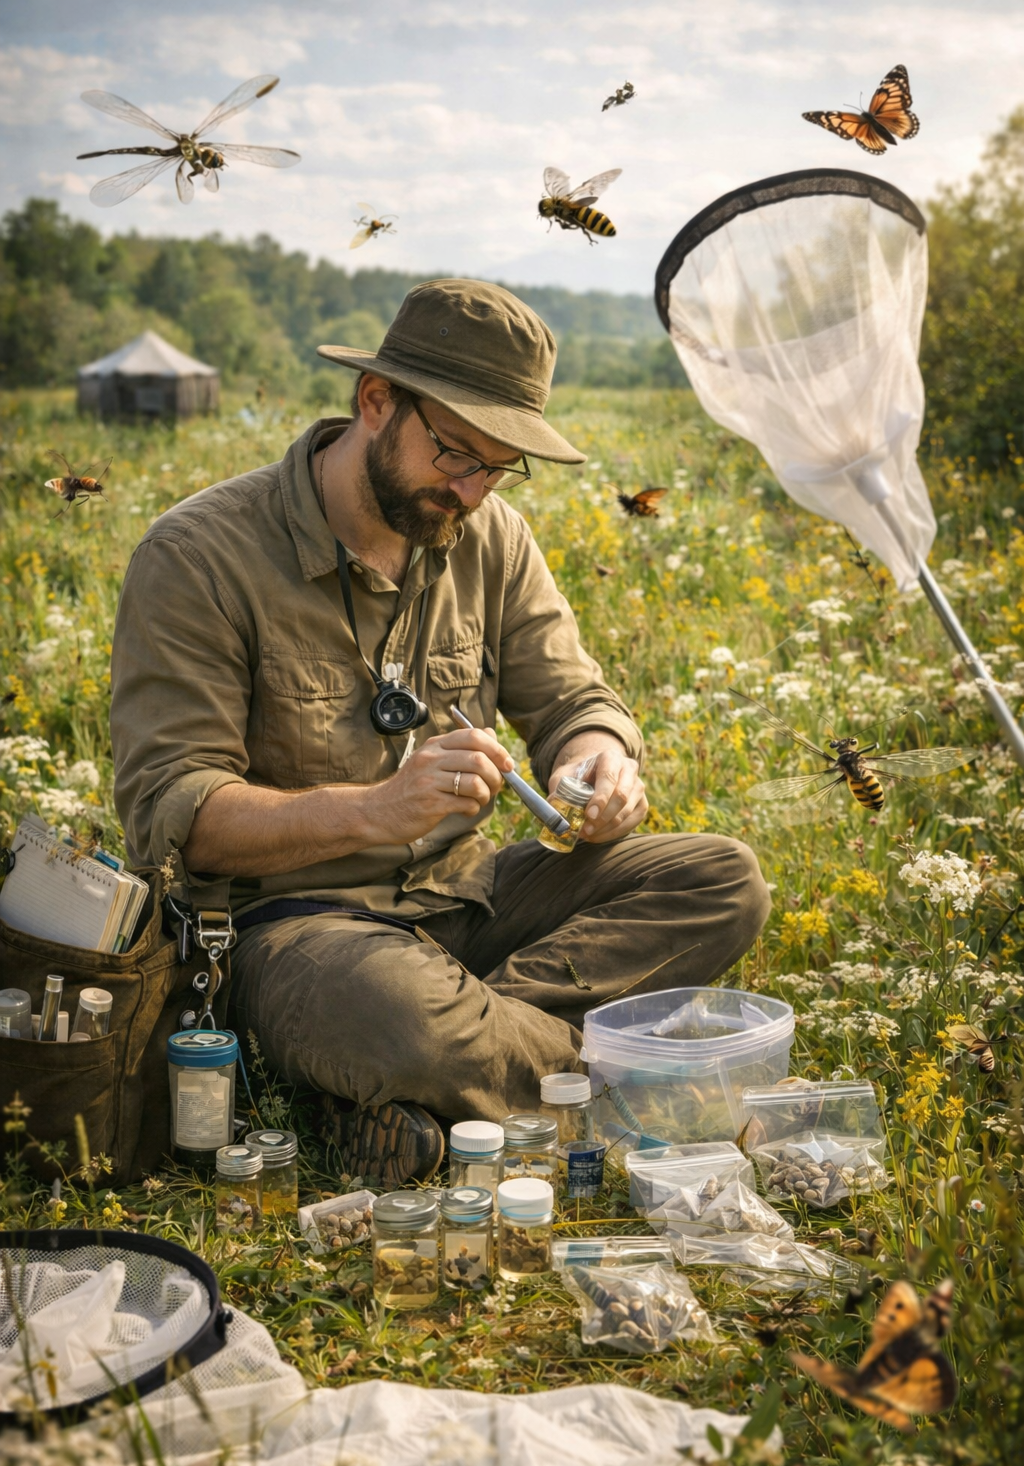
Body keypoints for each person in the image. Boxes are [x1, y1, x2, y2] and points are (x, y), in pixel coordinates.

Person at [111, 278, 770, 1187]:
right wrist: (377, 810)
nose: (470, 488)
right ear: (374, 401)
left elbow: (572, 696)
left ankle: (439, 1089)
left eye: (499, 467)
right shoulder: (198, 557)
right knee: (400, 1013)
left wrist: (598, 761)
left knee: (721, 879)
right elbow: (177, 813)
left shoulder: (489, 531)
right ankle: (623, 1092)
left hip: (468, 901)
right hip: (297, 932)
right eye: (454, 453)